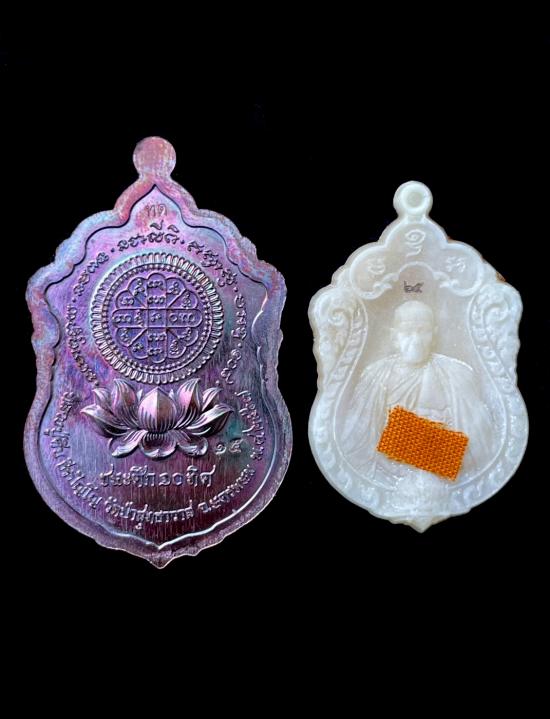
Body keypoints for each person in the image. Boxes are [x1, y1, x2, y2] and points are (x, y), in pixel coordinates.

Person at [342, 300, 494, 482]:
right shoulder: (374, 376)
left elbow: (481, 448)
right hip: (386, 476)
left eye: (422, 331)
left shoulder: (458, 374)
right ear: (394, 337)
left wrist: (402, 438)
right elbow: (355, 445)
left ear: (434, 335)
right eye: (407, 332)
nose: (415, 340)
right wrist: (434, 446)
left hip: (443, 480)